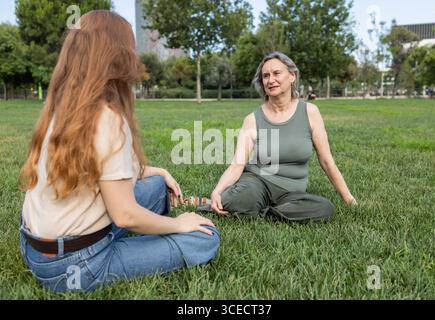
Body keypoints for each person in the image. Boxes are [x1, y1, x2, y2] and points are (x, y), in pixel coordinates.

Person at [18, 10, 219, 293]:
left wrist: (156, 171)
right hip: (73, 265)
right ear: (118, 55)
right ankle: (126, 246)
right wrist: (179, 224)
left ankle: (130, 237)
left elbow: (96, 168)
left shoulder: (60, 107)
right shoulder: (109, 119)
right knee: (206, 236)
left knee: (157, 185)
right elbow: (125, 216)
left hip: (34, 247)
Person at [207, 52, 356, 221]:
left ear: (292, 76)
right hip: (257, 183)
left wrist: (348, 199)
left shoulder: (310, 112)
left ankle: (264, 212)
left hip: (292, 193)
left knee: (325, 208)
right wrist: (217, 191)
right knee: (237, 200)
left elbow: (327, 161)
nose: (271, 80)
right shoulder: (252, 119)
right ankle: (243, 204)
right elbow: (237, 164)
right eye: (266, 76)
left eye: (277, 73)